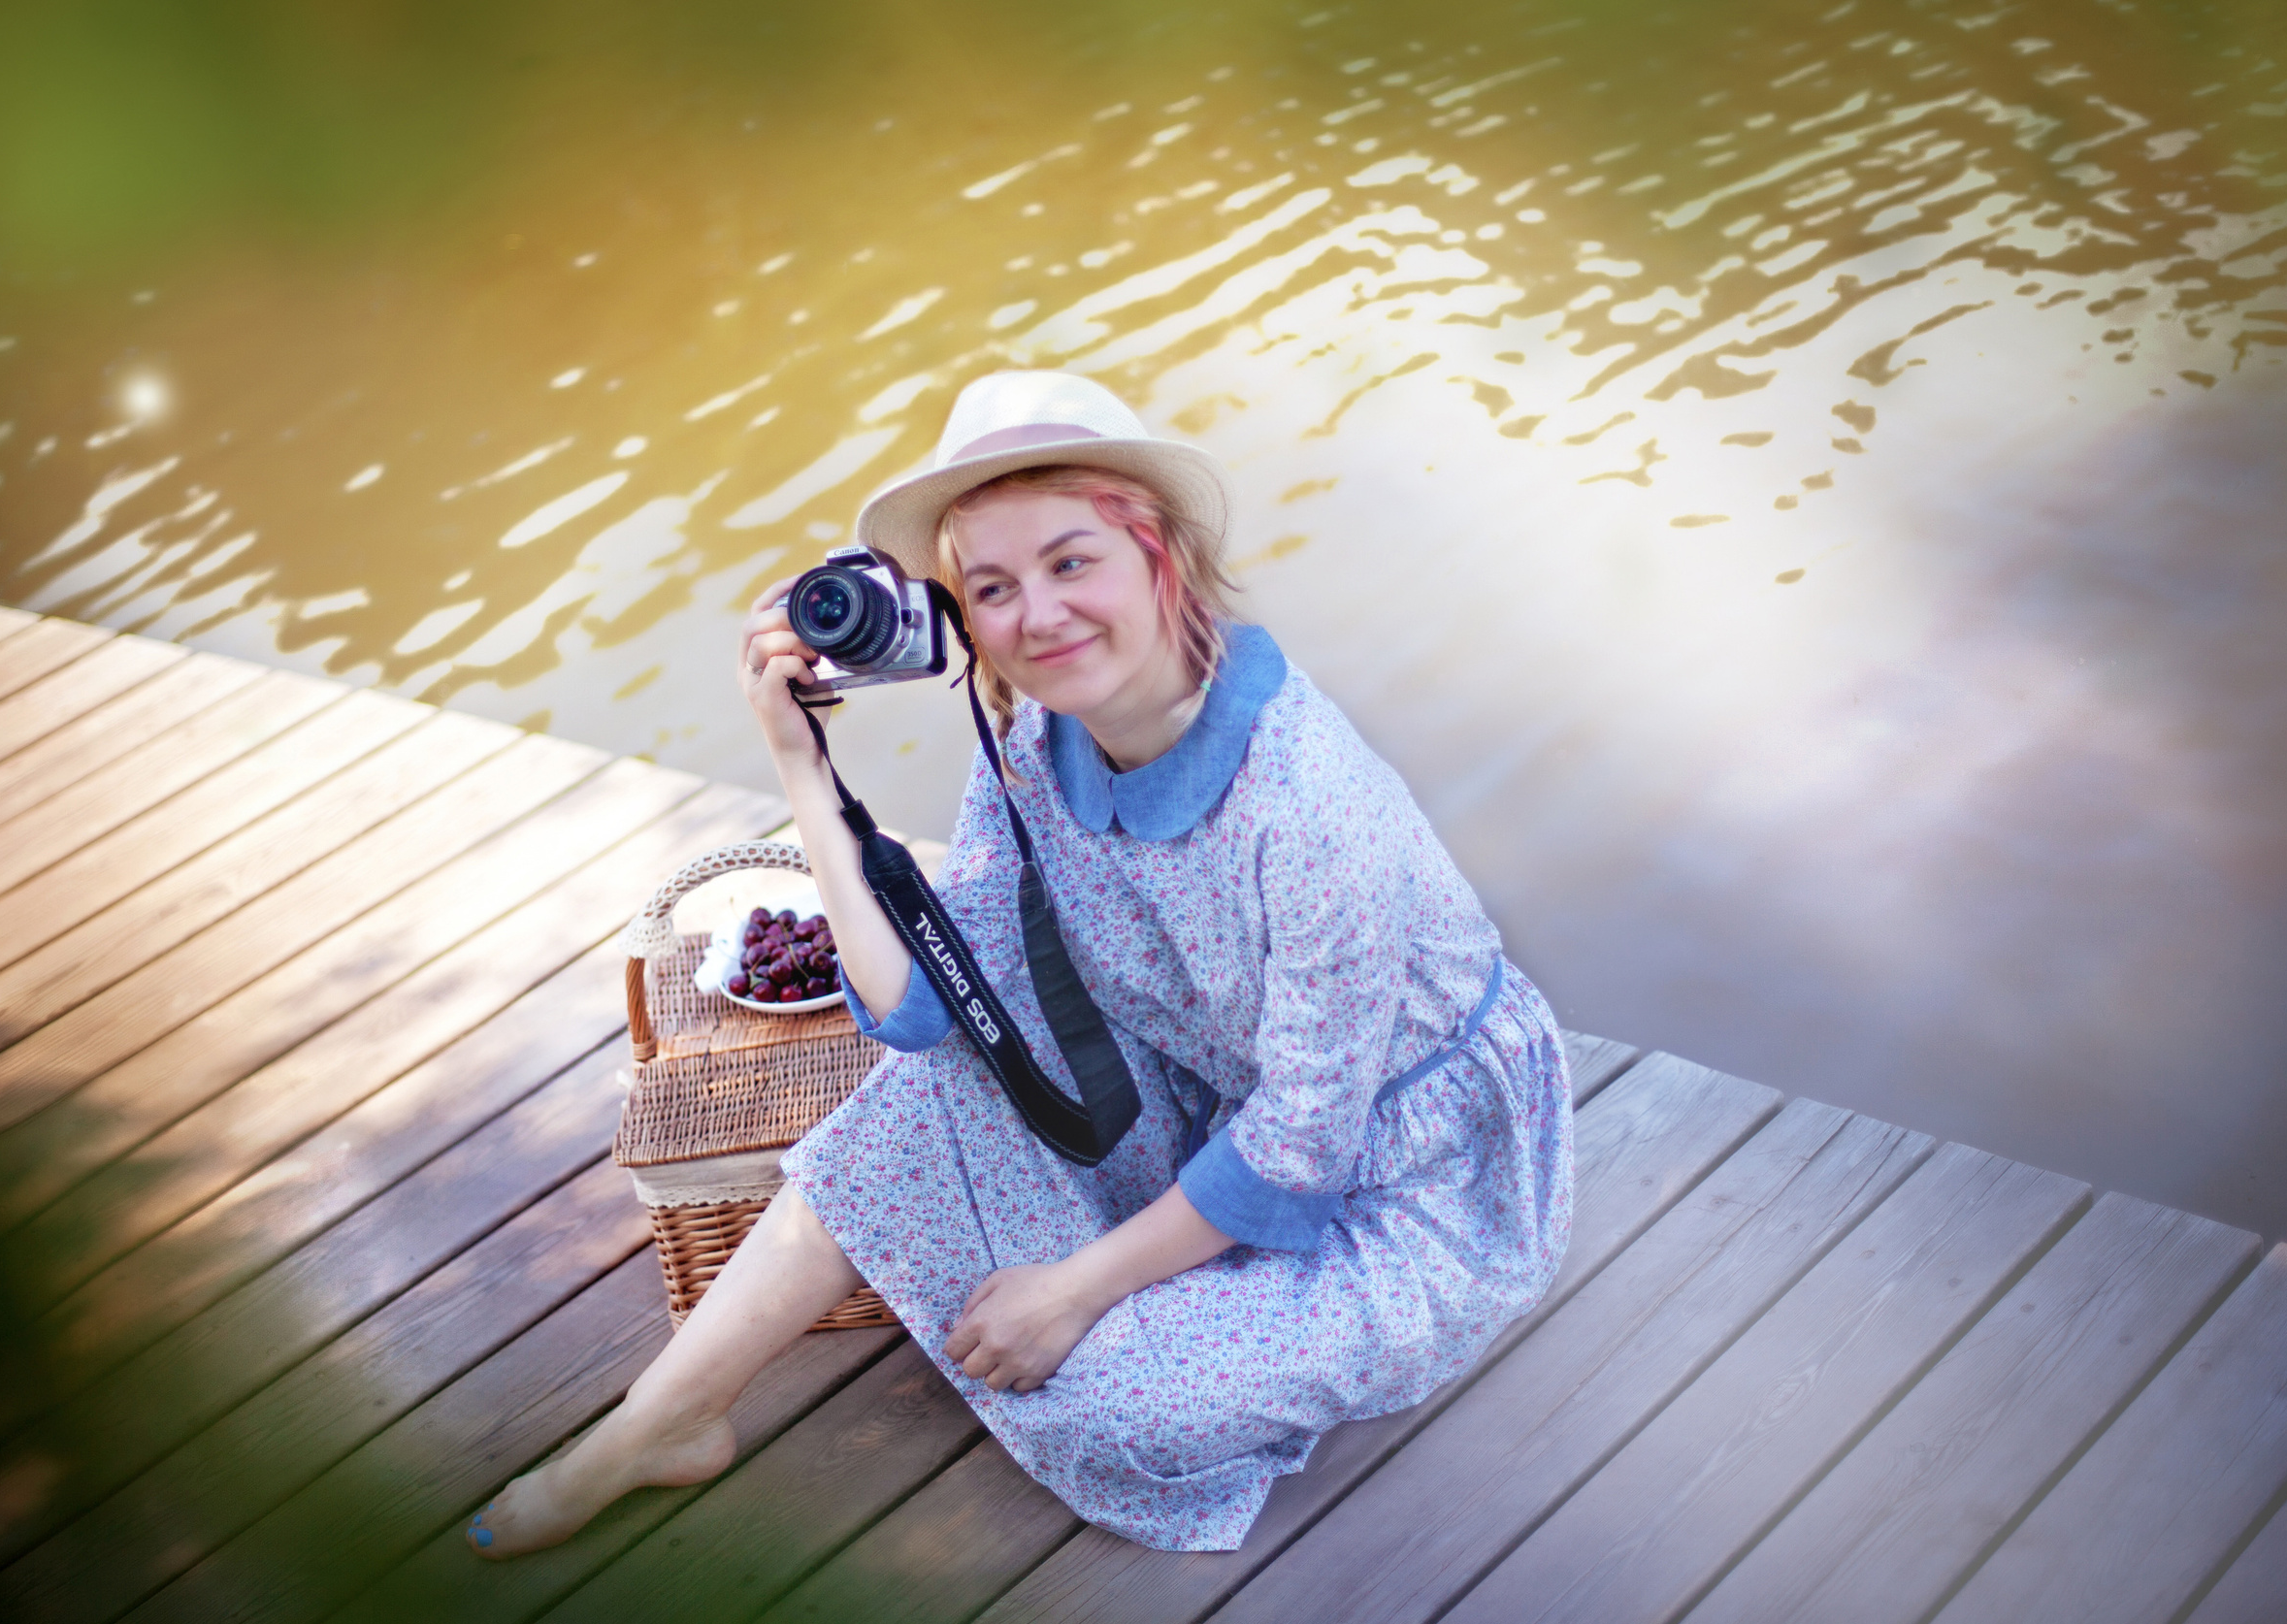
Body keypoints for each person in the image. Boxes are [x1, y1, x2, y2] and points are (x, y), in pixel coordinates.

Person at [468, 371, 1574, 1557]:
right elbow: (925, 1013)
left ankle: (1126, 1291)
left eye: (1071, 562)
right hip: (1206, 1098)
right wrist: (800, 765)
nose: (1038, 616)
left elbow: (1303, 1151)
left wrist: (1074, 1287)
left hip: (1401, 1183)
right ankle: (661, 1420)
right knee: (910, 1109)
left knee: (1106, 1396)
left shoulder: (1307, 805)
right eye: (991, 588)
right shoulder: (1033, 737)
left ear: (1159, 555)